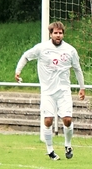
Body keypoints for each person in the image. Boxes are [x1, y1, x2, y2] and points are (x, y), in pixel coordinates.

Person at [14, 21, 86, 160]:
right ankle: (50, 150)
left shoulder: (70, 50)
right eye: (55, 33)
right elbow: (26, 56)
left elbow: (77, 69)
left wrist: (82, 87)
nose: (58, 35)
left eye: (60, 33)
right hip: (47, 92)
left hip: (64, 91)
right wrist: (18, 71)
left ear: (63, 34)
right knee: (48, 121)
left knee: (67, 120)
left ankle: (68, 145)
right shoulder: (42, 48)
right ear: (51, 34)